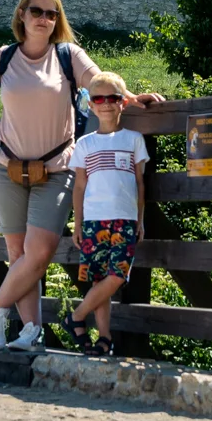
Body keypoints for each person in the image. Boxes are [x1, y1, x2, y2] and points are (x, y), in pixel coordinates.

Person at [0, 0, 162, 351]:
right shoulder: (2, 58)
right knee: (19, 256)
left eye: (52, 14)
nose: (44, 19)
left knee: (39, 253)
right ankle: (30, 333)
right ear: (22, 14)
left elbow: (101, 84)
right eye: (37, 11)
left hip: (56, 169)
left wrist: (132, 98)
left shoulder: (69, 56)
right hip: (7, 168)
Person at [65, 70, 148, 356]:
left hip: (125, 218)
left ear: (123, 102)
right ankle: (105, 338)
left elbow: (139, 182)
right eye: (98, 98)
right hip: (93, 220)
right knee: (101, 279)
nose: (105, 103)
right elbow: (79, 187)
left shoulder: (134, 139)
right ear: (91, 105)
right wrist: (77, 224)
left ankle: (76, 316)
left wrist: (140, 219)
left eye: (113, 97)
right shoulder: (85, 144)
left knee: (118, 276)